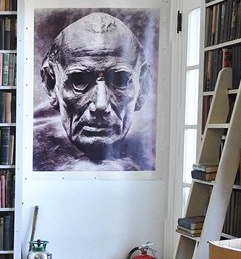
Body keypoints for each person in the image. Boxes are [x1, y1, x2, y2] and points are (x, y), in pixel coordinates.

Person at [33, 11, 154, 171]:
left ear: (142, 87)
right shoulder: (32, 148)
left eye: (119, 81)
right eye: (79, 80)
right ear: (51, 85)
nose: (100, 106)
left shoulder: (154, 151)